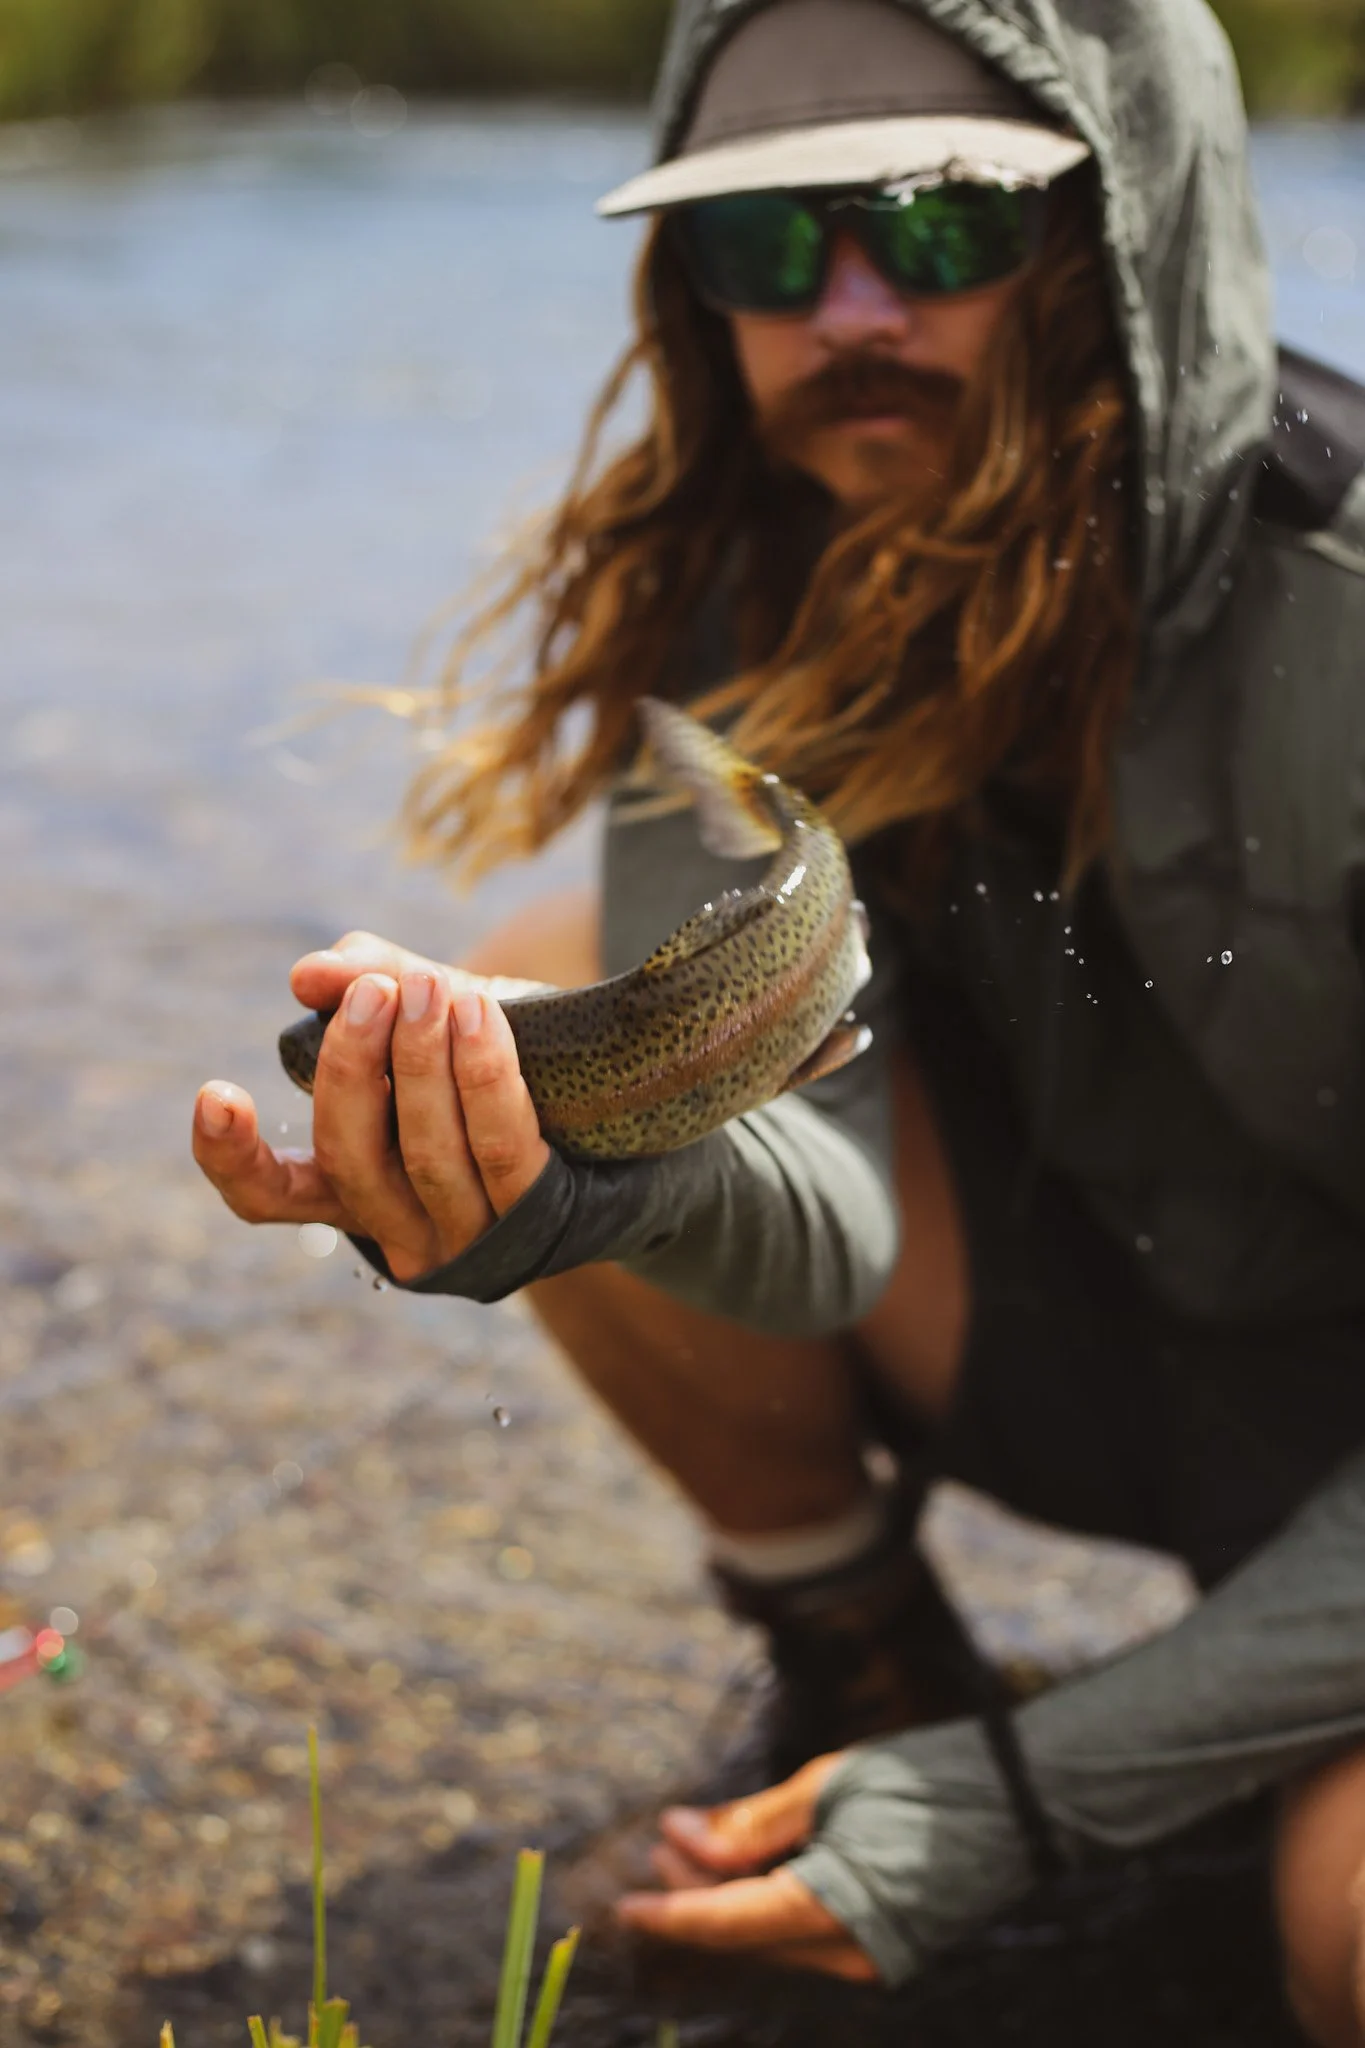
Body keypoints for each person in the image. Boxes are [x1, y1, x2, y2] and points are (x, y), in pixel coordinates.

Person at [192, 0, 1365, 2035]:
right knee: (566, 957)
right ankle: (869, 1664)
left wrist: (1023, 1799)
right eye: (761, 247)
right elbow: (816, 1219)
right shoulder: (742, 605)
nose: (843, 311)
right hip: (1111, 1373)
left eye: (929, 230)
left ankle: (1047, 1759)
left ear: (1111, 232)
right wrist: (573, 1180)